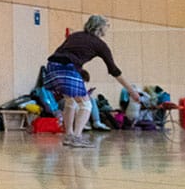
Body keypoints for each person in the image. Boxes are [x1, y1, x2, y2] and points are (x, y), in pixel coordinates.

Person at [43, 15, 138, 148]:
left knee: (70, 101)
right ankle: (76, 137)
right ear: (100, 28)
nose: (107, 29)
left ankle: (69, 135)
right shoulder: (100, 45)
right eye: (106, 26)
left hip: (52, 66)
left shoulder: (75, 36)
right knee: (86, 105)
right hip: (68, 68)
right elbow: (114, 70)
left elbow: (61, 52)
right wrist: (132, 91)